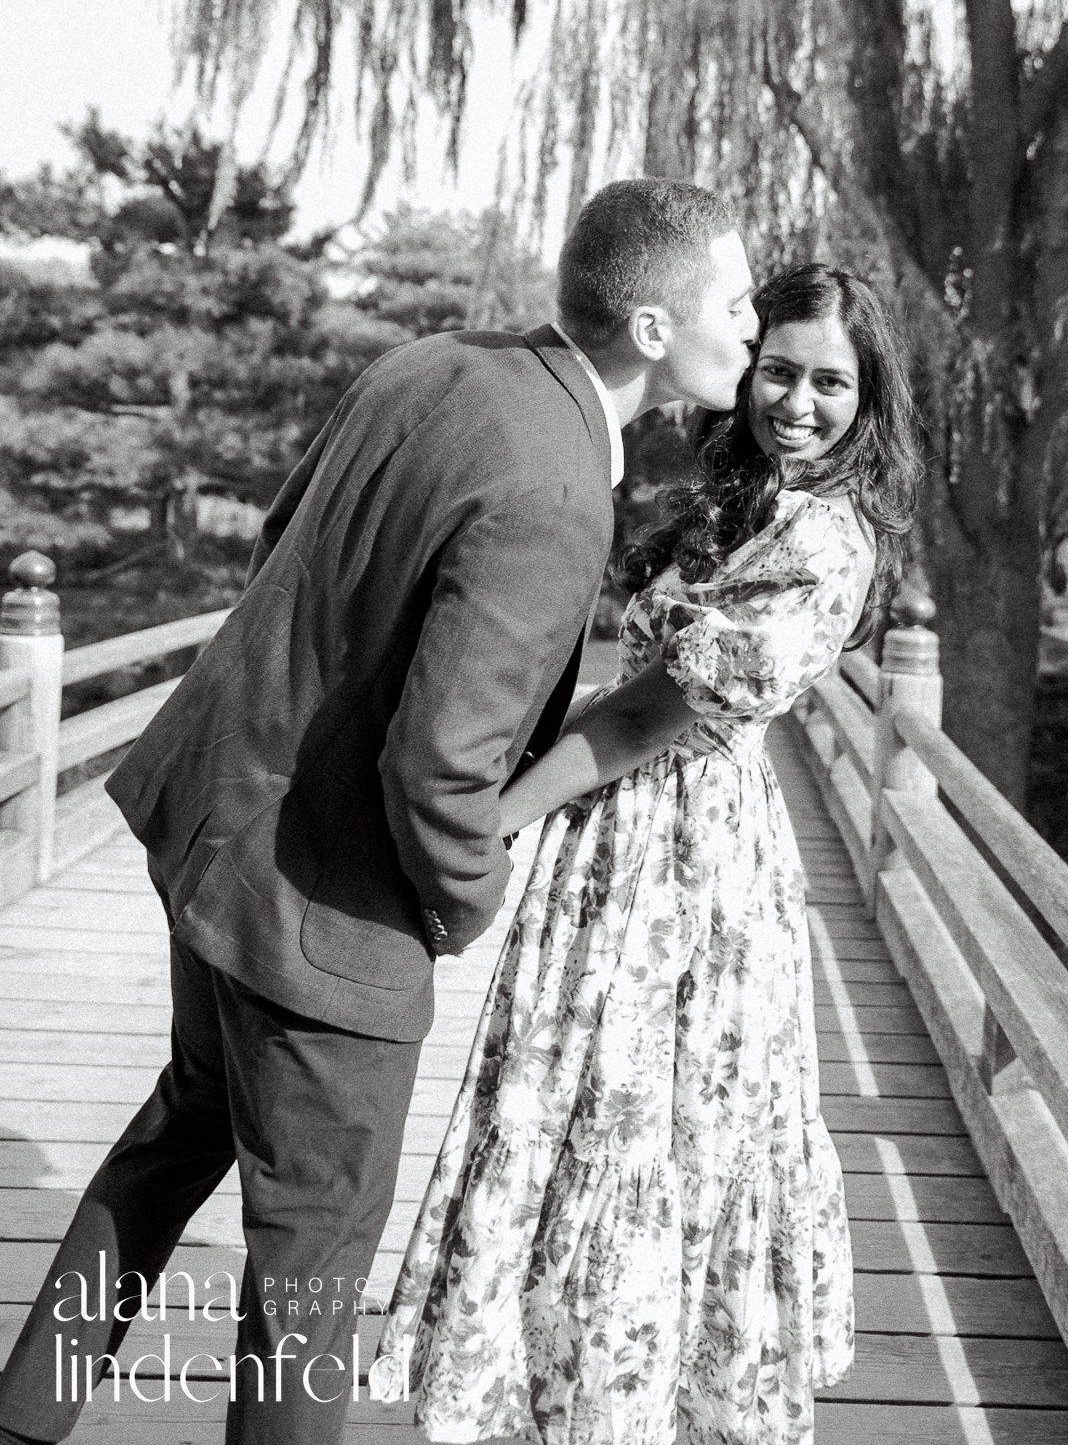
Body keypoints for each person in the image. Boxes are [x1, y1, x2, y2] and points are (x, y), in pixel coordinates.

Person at [0, 180, 758, 1445]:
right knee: (315, 1256)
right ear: (645, 324)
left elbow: (288, 542)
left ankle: (28, 1409)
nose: (749, 325)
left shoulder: (438, 362)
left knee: (181, 1125)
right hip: (323, 899)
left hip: (214, 816)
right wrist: (462, 903)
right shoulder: (556, 490)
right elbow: (440, 766)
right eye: (732, 302)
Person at [370, 262, 922, 1445]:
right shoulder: (740, 497)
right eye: (778, 369)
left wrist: (475, 817)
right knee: (581, 1100)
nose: (797, 401)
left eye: (831, 381)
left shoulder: (830, 540)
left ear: (869, 396)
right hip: (620, 826)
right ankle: (569, 1388)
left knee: (651, 1119)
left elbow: (633, 720)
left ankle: (627, 1405)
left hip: (690, 862)